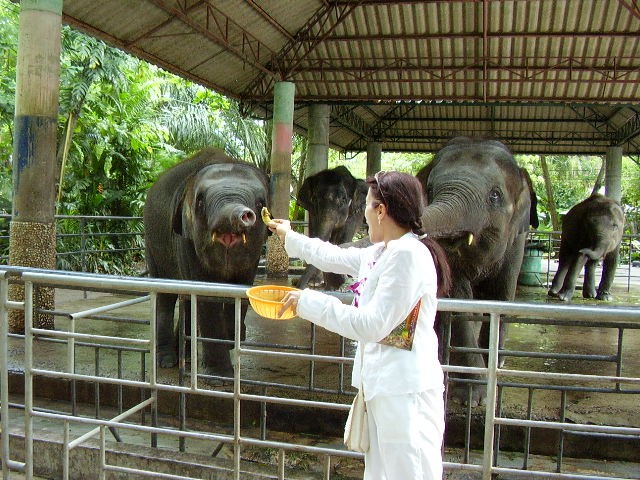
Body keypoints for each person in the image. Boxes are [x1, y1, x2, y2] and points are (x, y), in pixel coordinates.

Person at [267, 170, 452, 480]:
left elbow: (372, 325)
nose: (363, 214)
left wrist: (307, 302)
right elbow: (333, 256)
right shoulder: (383, 252)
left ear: (381, 210)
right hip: (383, 387)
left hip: (407, 393)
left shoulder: (408, 257)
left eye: (366, 206)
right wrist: (290, 237)